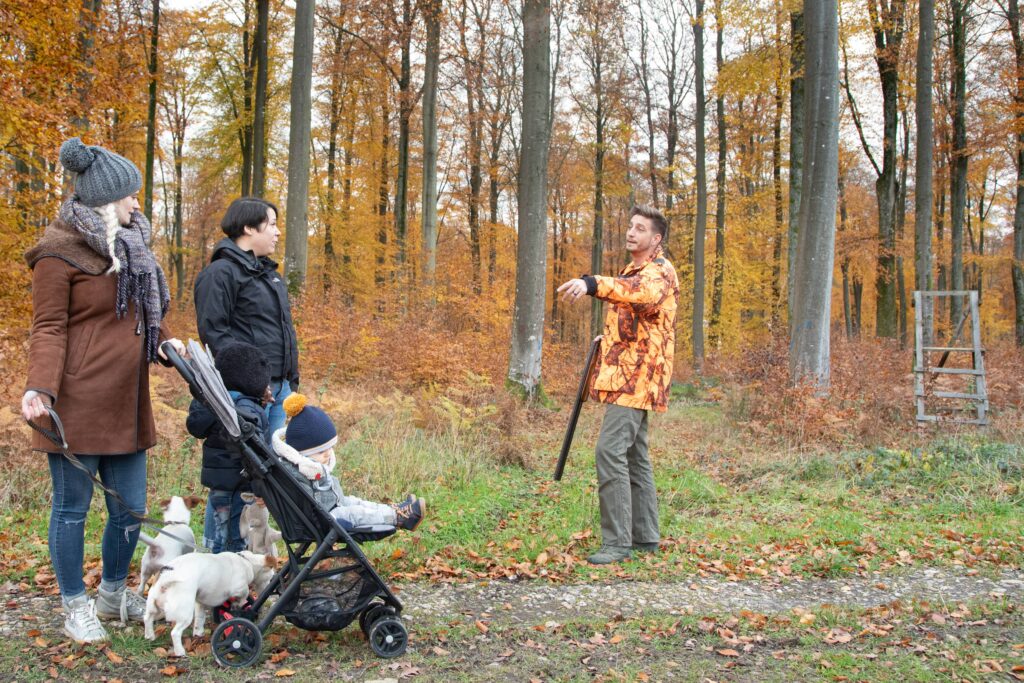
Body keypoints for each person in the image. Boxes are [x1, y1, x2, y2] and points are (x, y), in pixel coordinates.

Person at [21, 137, 185, 643]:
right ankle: (75, 606)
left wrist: (162, 343)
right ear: (106, 199)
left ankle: (113, 594)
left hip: (127, 400)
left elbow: (144, 316)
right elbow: (48, 328)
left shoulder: (133, 246)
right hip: (76, 399)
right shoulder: (58, 252)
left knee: (130, 508)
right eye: (130, 195)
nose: (138, 202)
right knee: (71, 510)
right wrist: (39, 390)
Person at [556, 204, 679, 565]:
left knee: (609, 452)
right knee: (634, 458)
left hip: (638, 380)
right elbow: (639, 320)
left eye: (640, 229)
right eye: (630, 226)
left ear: (655, 239)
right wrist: (608, 337)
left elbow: (640, 295)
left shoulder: (658, 271)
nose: (630, 232)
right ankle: (645, 537)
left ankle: (617, 543)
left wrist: (591, 283)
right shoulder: (636, 269)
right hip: (631, 376)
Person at [194, 197, 299, 434]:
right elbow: (215, 333)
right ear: (249, 228)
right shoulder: (220, 273)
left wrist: (291, 382)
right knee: (248, 465)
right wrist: (253, 382)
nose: (278, 232)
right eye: (272, 224)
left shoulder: (271, 276)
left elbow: (283, 331)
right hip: (247, 393)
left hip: (280, 388)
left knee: (276, 464)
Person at [271, 394, 426, 531]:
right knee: (351, 512)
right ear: (302, 454)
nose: (327, 454)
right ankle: (398, 517)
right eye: (320, 451)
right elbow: (311, 504)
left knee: (355, 502)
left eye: (329, 448)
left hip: (329, 509)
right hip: (321, 520)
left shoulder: (310, 466)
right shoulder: (300, 471)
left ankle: (395, 510)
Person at [187, 342, 272, 553]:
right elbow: (258, 455)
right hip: (240, 485)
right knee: (232, 538)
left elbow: (196, 426)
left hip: (219, 483)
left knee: (220, 531)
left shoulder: (213, 401)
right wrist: (263, 488)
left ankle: (215, 563)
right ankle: (225, 578)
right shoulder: (247, 410)